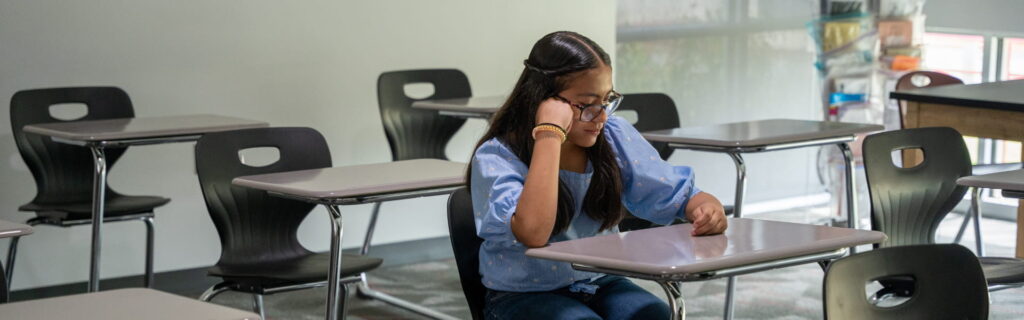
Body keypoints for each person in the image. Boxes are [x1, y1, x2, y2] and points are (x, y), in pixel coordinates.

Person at [468, 31, 728, 320]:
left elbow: (674, 194)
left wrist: (703, 206)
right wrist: (550, 135)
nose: (601, 116)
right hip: (523, 292)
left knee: (654, 315)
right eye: (588, 105)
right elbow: (533, 232)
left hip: (600, 281)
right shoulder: (497, 156)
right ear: (544, 101)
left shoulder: (612, 137)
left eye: (607, 100)